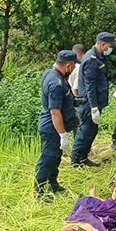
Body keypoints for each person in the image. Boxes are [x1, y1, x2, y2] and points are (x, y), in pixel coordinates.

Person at [34, 50, 78, 200]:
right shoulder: (56, 84)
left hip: (56, 126)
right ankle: (39, 191)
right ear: (67, 65)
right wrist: (63, 135)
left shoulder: (51, 73)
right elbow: (55, 112)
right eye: (73, 66)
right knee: (47, 159)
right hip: (52, 128)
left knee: (56, 158)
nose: (73, 70)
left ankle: (53, 183)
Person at [71, 32, 116, 169]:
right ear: (102, 44)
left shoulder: (99, 56)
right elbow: (90, 86)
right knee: (84, 131)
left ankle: (84, 157)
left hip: (96, 101)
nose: (110, 48)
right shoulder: (91, 59)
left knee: (92, 131)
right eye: (109, 45)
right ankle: (75, 159)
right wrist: (93, 107)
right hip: (88, 103)